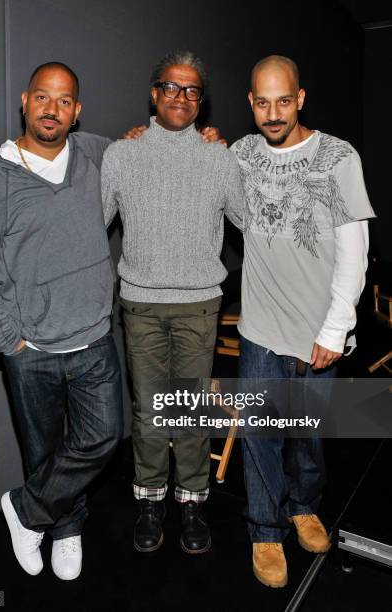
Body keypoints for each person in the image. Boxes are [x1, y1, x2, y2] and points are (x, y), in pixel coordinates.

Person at [0, 62, 124, 581]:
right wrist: (10, 341)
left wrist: (198, 136)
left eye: (65, 100)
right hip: (32, 350)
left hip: (94, 337)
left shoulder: (96, 153)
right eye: (44, 98)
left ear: (77, 112)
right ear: (26, 102)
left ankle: (26, 511)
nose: (53, 108)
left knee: (102, 438)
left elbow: (147, 153)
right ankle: (65, 528)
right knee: (44, 450)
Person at [230, 55, 375, 587]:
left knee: (308, 435)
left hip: (317, 334)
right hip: (260, 332)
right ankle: (265, 531)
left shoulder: (338, 157)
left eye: (283, 101)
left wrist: (335, 329)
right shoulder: (241, 153)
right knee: (262, 436)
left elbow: (354, 252)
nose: (273, 114)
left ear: (301, 97)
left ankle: (304, 507)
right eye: (263, 103)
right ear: (250, 102)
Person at [101, 51, 243, 555]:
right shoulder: (122, 154)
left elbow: (253, 222)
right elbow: (92, 224)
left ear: (200, 102)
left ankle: (193, 501)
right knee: (149, 413)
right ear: (154, 93)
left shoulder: (218, 157)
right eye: (171, 87)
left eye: (191, 91)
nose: (181, 97)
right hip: (139, 303)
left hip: (199, 304)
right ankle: (150, 500)